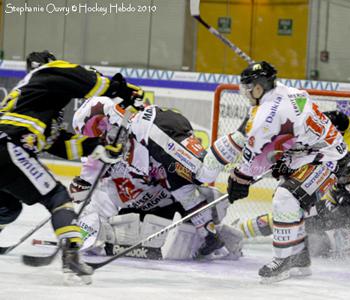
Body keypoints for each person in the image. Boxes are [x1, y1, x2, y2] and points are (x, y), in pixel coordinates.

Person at [0, 50, 140, 285]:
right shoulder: (48, 71)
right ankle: (72, 256)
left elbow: (63, 146)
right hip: (7, 147)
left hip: (6, 151)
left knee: (8, 206)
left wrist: (101, 146)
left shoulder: (34, 102)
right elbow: (87, 80)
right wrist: (122, 91)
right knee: (58, 197)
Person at [70, 96, 246, 259]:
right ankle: (211, 237)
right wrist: (80, 198)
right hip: (158, 170)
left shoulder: (132, 125)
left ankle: (245, 132)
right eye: (90, 132)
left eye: (96, 126)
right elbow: (88, 182)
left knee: (203, 173)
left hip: (157, 130)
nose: (98, 134)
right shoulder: (104, 153)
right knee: (184, 191)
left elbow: (123, 120)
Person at [226, 61, 348, 283]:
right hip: (307, 153)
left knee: (286, 197)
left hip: (327, 157)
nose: (245, 92)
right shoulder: (284, 93)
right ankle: (300, 257)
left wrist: (241, 179)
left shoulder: (272, 112)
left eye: (248, 87)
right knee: (289, 200)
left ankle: (284, 260)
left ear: (259, 87)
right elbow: (284, 140)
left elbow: (259, 152)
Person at [238, 111, 350, 257]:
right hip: (344, 215)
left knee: (304, 224)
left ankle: (242, 231)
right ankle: (244, 230)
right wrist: (310, 123)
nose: (341, 179)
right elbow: (343, 121)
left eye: (345, 177)